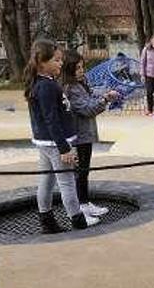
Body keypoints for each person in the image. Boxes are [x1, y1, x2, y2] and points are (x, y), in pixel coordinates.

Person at [25, 40, 99, 233]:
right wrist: (64, 148)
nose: (60, 64)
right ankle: (77, 219)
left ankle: (46, 219)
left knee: (47, 181)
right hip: (56, 143)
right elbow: (52, 120)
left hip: (46, 143)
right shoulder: (47, 87)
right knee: (66, 181)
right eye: (56, 60)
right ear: (42, 62)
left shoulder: (45, 83)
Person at [60, 50, 119, 217]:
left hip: (84, 135)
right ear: (69, 70)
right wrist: (106, 100)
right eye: (77, 68)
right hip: (78, 137)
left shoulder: (81, 83)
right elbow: (87, 109)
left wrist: (106, 95)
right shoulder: (70, 88)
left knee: (84, 171)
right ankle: (80, 206)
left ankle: (84, 203)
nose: (81, 70)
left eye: (82, 67)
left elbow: (92, 95)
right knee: (80, 173)